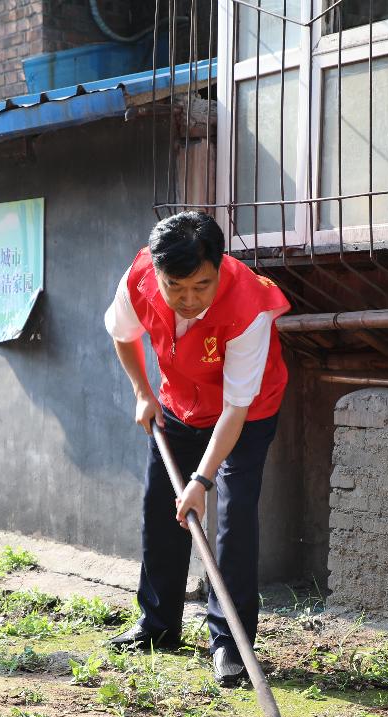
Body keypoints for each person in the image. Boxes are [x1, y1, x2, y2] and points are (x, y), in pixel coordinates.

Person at [104, 211, 290, 686]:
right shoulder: (141, 276)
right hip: (179, 404)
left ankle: (230, 644)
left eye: (201, 287)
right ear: (158, 272)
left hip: (245, 414)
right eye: (176, 288)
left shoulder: (249, 307)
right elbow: (122, 335)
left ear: (219, 266)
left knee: (232, 521)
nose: (188, 300)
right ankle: (158, 624)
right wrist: (143, 392)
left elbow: (235, 408)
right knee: (160, 509)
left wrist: (202, 480)